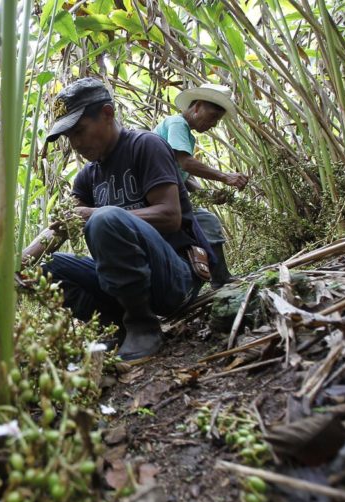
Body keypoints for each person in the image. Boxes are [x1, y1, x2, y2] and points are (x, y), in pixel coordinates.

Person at [24, 77, 211, 361]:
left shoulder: (146, 146)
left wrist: (98, 213)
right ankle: (117, 326)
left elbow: (170, 216)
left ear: (107, 113)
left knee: (106, 219)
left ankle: (142, 325)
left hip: (174, 277)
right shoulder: (87, 177)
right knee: (46, 268)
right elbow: (63, 224)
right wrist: (18, 264)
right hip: (129, 285)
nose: (75, 144)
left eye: (80, 131)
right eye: (69, 137)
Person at [154, 83, 249, 289]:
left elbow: (181, 176)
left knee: (192, 231)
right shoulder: (178, 124)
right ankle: (221, 279)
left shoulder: (179, 130)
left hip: (161, 194)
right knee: (208, 222)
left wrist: (206, 194)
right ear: (196, 107)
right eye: (213, 116)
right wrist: (225, 177)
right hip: (158, 196)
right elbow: (185, 163)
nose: (214, 124)